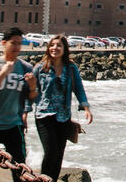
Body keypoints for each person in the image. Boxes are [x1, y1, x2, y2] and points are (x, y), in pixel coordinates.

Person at [0, 27, 38, 181]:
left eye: (19, 43)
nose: (17, 47)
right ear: (4, 43)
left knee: (20, 170)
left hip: (13, 125)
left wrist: (32, 87)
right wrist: (3, 73)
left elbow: (31, 99)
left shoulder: (25, 68)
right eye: (13, 43)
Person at [32, 35, 93, 181]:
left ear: (65, 49)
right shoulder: (40, 68)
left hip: (64, 116)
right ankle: (44, 180)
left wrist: (86, 108)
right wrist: (25, 110)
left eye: (59, 45)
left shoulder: (71, 68)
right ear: (48, 48)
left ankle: (51, 179)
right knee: (51, 151)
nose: (55, 48)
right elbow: (30, 90)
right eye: (52, 45)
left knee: (59, 154)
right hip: (44, 116)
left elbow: (79, 88)